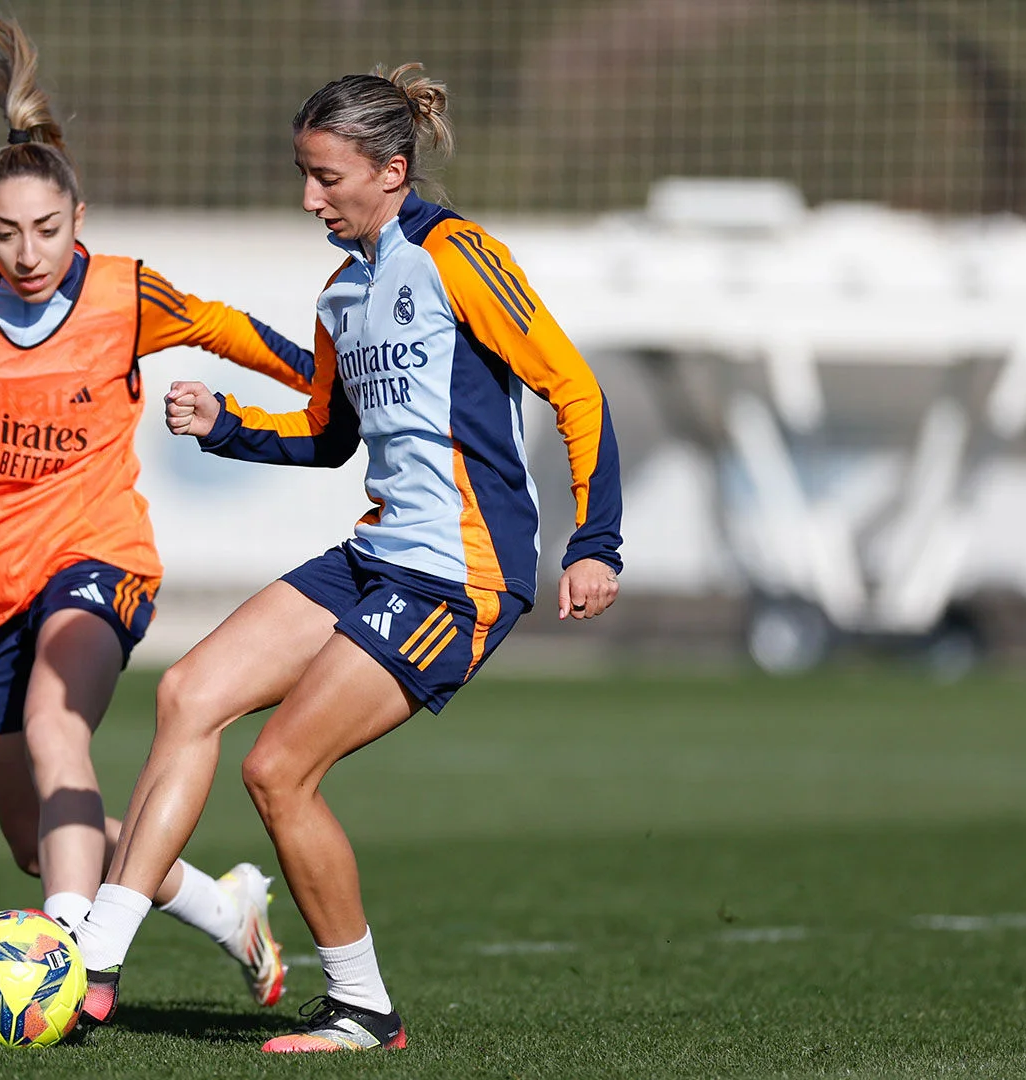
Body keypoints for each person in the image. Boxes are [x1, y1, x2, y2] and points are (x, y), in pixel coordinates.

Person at [68, 64, 624, 1052]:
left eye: (326, 177)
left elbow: (575, 391)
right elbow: (328, 434)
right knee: (188, 693)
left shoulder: (458, 256)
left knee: (279, 770)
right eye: (304, 174)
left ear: (392, 170)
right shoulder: (341, 291)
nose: (308, 198)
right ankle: (97, 960)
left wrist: (595, 544)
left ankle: (362, 1006)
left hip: (460, 575)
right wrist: (228, 423)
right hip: (375, 554)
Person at [0, 14, 315, 1008]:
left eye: (47, 231)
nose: (27, 252)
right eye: (5, 233)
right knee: (37, 838)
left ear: (78, 219)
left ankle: (67, 958)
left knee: (63, 731)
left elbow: (234, 332)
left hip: (98, 556)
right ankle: (218, 904)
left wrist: (331, 387)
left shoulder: (125, 295)